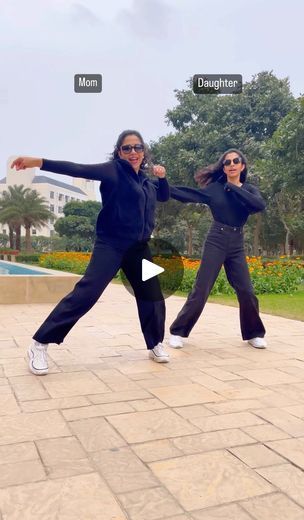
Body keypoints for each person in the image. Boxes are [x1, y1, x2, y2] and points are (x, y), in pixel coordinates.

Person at [11, 130, 170, 375]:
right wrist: (38, 162)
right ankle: (40, 343)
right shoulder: (113, 170)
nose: (133, 152)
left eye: (138, 147)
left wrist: (163, 178)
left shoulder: (146, 182)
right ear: (119, 152)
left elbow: (164, 195)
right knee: (88, 293)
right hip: (111, 244)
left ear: (144, 151)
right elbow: (76, 169)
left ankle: (154, 343)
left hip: (139, 248)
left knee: (152, 295)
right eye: (127, 148)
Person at [168, 148, 267, 350]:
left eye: (235, 161)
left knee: (247, 291)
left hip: (237, 244)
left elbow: (258, 205)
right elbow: (189, 194)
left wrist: (233, 188)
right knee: (202, 288)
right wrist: (160, 185)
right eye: (227, 162)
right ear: (223, 167)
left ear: (242, 165)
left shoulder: (249, 190)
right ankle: (178, 332)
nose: (231, 164)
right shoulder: (215, 189)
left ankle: (254, 334)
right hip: (216, 240)